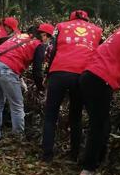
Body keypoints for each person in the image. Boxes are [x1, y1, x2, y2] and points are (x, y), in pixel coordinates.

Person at [79, 7, 120, 175]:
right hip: (99, 80)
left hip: (91, 78)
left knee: (103, 124)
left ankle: (95, 164)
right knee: (99, 126)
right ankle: (88, 170)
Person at [41, 10, 103, 162]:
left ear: (71, 18)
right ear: (86, 19)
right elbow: (101, 53)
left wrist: (47, 73)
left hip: (59, 72)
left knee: (50, 115)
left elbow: (50, 50)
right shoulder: (97, 30)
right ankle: (74, 155)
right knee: (75, 117)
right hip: (82, 75)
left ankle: (47, 155)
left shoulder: (61, 26)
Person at [0, 23, 54, 141]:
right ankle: (17, 137)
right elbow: (37, 71)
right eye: (49, 38)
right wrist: (41, 88)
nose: (48, 41)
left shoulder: (20, 36)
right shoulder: (39, 45)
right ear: (44, 35)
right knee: (17, 105)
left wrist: (20, 79)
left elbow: (11, 53)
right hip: (5, 70)